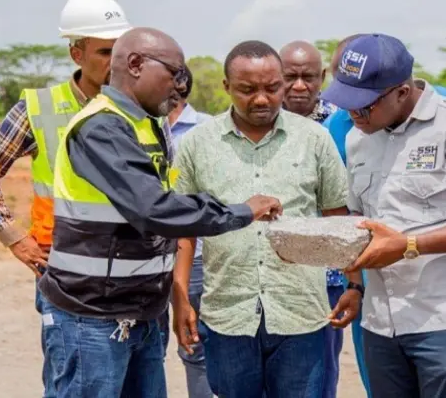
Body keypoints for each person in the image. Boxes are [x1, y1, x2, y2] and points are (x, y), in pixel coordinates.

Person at [37, 27, 283, 398]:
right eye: (174, 73)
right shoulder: (100, 127)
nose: (180, 85)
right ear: (135, 64)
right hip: (93, 319)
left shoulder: (145, 125)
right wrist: (241, 212)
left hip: (141, 314)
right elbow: (154, 209)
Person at [321, 33, 446, 398]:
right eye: (346, 103)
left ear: (401, 92)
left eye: (363, 105)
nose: (353, 114)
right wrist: (354, 284)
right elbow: (358, 216)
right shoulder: (358, 137)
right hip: (382, 323)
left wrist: (411, 245)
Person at [170, 40, 362, 398]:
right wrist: (180, 296)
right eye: (247, 90)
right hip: (228, 312)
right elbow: (185, 228)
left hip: (300, 310)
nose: (261, 99)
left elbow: (339, 217)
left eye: (273, 88)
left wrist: (354, 285)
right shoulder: (198, 144)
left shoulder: (314, 140)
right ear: (227, 87)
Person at [0, 0, 131, 396]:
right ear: (77, 52)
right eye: (105, 51)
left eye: (123, 51)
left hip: (135, 285)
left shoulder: (140, 108)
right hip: (69, 280)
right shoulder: (41, 108)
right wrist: (16, 239)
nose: (117, 62)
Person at [279, 39, 342, 398]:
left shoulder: (344, 121)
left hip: (327, 276)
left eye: (308, 77)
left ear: (322, 77)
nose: (299, 86)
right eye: (290, 77)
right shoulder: (259, 121)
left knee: (320, 371)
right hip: (273, 271)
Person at [159, 64, 215, 398]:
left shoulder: (208, 129)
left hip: (193, 253)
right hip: (147, 254)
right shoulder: (136, 127)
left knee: (197, 342)